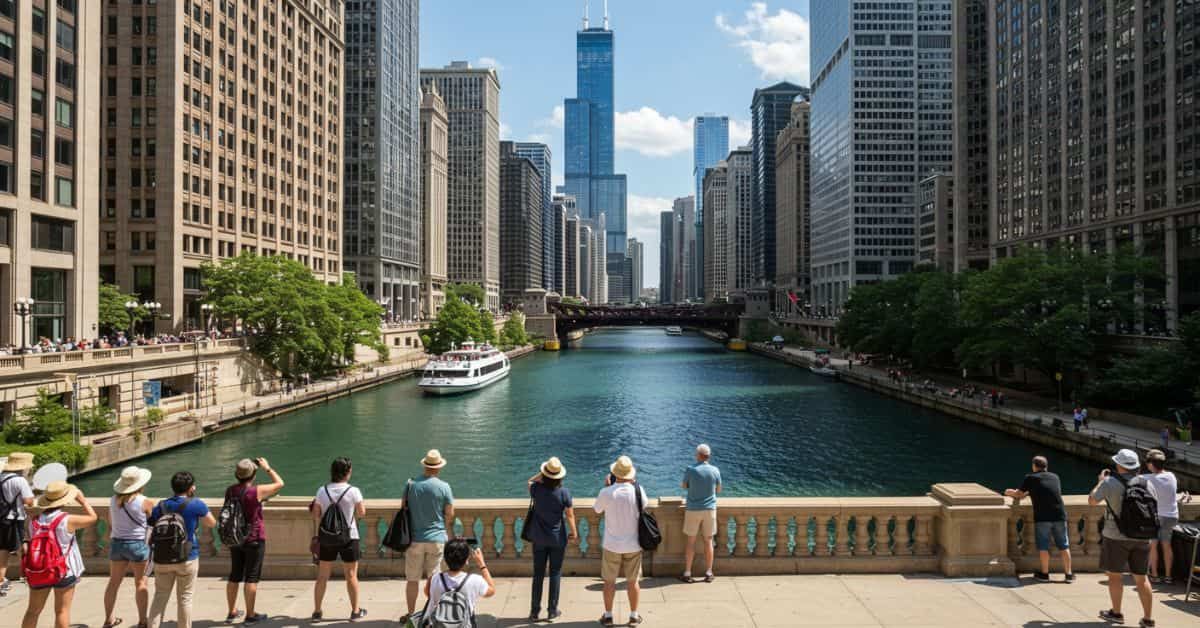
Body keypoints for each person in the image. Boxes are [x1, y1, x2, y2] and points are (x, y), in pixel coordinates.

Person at [1088, 449, 1155, 628]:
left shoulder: (1110, 482)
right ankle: (1148, 619)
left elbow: (1092, 501)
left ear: (1119, 465)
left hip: (1115, 536)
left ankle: (1117, 613)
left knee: (1115, 577)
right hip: (1142, 536)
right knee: (1142, 578)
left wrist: (1100, 482)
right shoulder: (1146, 483)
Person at [20, 481, 98, 628]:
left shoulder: (34, 521)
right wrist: (82, 500)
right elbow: (93, 517)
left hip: (40, 570)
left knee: (33, 611)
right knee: (62, 611)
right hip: (64, 570)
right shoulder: (68, 519)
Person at [147, 471, 216, 628]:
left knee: (160, 597)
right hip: (187, 556)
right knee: (185, 598)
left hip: (162, 557)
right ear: (191, 488)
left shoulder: (161, 505)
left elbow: (151, 524)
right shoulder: (196, 503)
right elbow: (212, 523)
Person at [224, 458, 284, 623]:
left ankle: (232, 612)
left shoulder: (230, 490)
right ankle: (250, 615)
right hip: (253, 538)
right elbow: (280, 483)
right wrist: (267, 467)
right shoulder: (255, 491)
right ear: (253, 475)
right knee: (251, 577)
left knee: (234, 575)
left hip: (235, 537)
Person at [399, 450, 455, 624]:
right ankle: (433, 614)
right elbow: (450, 513)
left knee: (412, 580)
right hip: (437, 538)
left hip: (414, 539)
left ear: (425, 465)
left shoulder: (411, 484)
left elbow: (403, 507)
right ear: (438, 468)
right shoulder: (444, 486)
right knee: (435, 580)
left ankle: (410, 614)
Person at [593, 456, 648, 626]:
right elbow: (644, 507)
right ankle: (633, 616)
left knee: (609, 582)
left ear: (614, 473)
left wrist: (607, 487)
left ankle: (608, 616)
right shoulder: (638, 490)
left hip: (612, 545)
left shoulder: (607, 492)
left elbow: (597, 510)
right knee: (633, 582)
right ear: (631, 474)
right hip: (633, 544)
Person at [311, 457, 366, 621]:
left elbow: (316, 513)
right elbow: (362, 513)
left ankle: (317, 611)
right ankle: (355, 611)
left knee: (322, 576)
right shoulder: (353, 491)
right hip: (349, 536)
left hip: (327, 537)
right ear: (347, 472)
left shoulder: (322, 491)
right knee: (351, 576)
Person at [1004, 456, 1074, 583]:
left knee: (1043, 546)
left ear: (1034, 466)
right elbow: (1045, 490)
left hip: (1043, 517)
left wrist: (1010, 492)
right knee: (1064, 545)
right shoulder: (1055, 477)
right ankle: (1069, 574)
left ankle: (1044, 574)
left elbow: (1019, 494)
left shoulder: (1030, 478)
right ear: (1046, 466)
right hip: (1060, 515)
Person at [103, 466, 155, 628]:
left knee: (113, 583)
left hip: (118, 543)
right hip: (137, 544)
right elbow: (152, 522)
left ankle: (109, 619)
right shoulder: (145, 501)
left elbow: (111, 524)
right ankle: (142, 621)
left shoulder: (113, 500)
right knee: (140, 583)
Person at [525, 457, 577, 622]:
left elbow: (529, 481)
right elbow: (569, 515)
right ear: (560, 476)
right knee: (555, 573)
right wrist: (574, 532)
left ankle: (534, 611)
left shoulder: (536, 489)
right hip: (557, 538)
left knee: (538, 574)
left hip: (538, 539)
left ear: (544, 474)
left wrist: (541, 474)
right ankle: (552, 611)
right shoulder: (564, 493)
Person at [423, 539, 496, 627]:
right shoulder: (475, 580)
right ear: (466, 560)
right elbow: (491, 590)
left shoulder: (435, 578)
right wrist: (482, 564)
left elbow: (428, 594)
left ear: (445, 559)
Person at [1143, 450, 1189, 585]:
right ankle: (1168, 576)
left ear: (1151, 465)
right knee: (1167, 546)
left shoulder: (1147, 478)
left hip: (1156, 516)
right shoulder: (1171, 476)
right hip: (1171, 516)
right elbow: (1170, 494)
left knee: (1153, 546)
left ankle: (1155, 575)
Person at [680, 444, 722, 584]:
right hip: (709, 509)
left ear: (698, 455)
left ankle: (687, 572)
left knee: (690, 541)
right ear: (708, 456)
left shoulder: (691, 470)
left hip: (693, 509)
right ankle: (709, 572)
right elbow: (719, 489)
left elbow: (684, 486)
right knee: (708, 541)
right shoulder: (715, 470)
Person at [0, 452, 35, 597]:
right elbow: (29, 501)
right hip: (15, 519)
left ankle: (22, 574)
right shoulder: (20, 480)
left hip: (2, 517)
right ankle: (2, 581)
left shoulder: (1, 477)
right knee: (11, 548)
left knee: (6, 547)